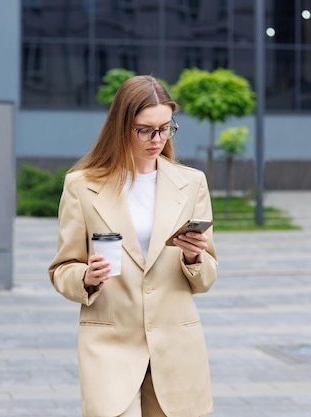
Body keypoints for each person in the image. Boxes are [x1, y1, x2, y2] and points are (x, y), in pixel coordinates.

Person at [48, 75, 218, 417]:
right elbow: (62, 269)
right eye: (145, 130)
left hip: (176, 347)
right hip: (110, 346)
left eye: (166, 128)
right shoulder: (82, 186)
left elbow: (206, 278)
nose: (157, 139)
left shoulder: (191, 183)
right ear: (121, 125)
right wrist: (86, 276)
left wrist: (193, 255)